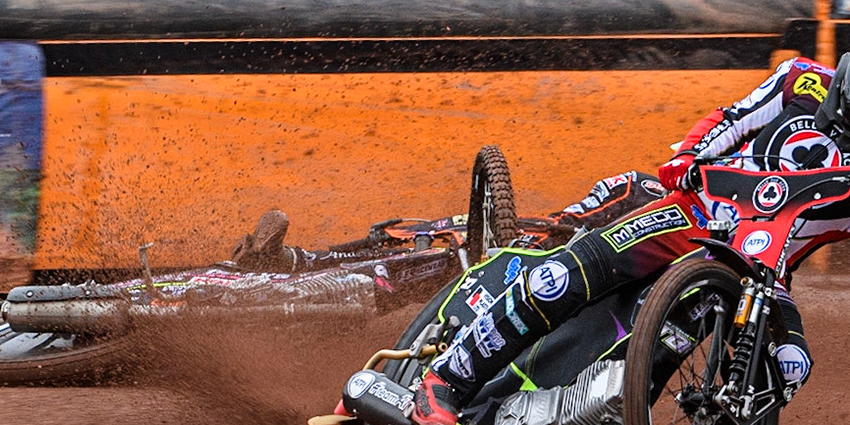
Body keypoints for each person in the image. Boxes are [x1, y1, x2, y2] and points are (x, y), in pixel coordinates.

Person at [411, 2, 850, 425]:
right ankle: (447, 381)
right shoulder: (802, 80)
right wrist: (691, 155)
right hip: (692, 214)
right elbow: (732, 118)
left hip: (763, 270)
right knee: (560, 277)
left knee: (789, 365)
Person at [232, 170, 669, 273]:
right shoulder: (641, 186)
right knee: (422, 237)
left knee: (432, 264)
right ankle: (294, 260)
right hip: (540, 250)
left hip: (586, 297)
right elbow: (574, 217)